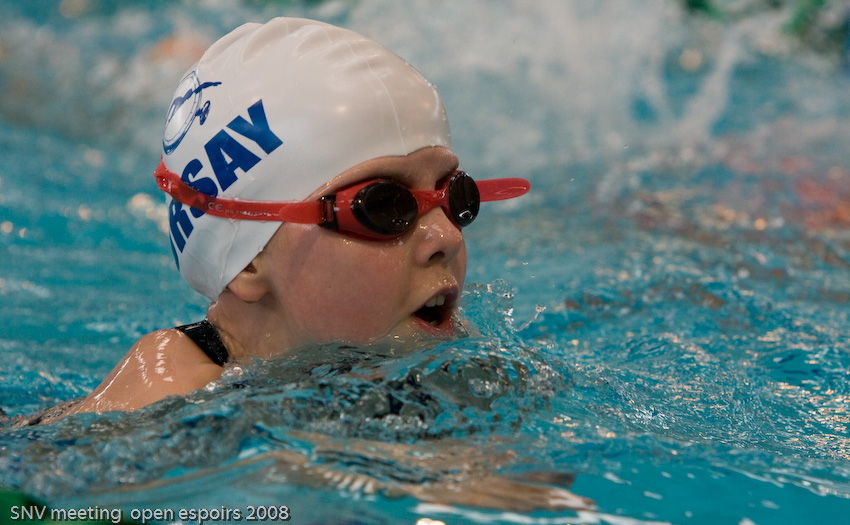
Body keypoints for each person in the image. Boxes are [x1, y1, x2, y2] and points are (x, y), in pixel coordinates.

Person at [63, 17, 530, 415]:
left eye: (454, 195)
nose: (446, 236)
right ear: (248, 261)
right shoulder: (167, 393)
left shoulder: (455, 357)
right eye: (384, 207)